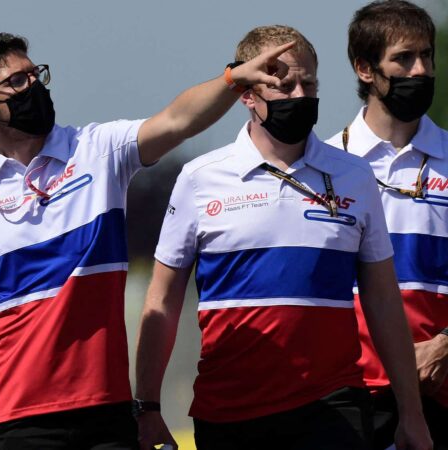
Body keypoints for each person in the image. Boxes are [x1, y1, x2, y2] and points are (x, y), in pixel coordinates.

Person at [0, 31, 297, 450]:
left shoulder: (97, 150)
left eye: (35, 74)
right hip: (14, 420)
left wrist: (233, 80)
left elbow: (177, 120)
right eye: (17, 82)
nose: (34, 86)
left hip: (106, 414)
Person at [135, 25, 432, 450]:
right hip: (230, 411)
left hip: (334, 407)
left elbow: (383, 299)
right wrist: (146, 407)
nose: (298, 94)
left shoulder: (354, 175)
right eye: (281, 83)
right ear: (246, 94)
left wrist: (412, 413)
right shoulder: (200, 179)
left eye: (307, 83)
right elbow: (161, 302)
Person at [323, 1, 448, 448]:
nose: (421, 70)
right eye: (403, 58)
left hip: (440, 385)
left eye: (428, 56)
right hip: (346, 397)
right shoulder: (322, 166)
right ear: (364, 68)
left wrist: (445, 345)